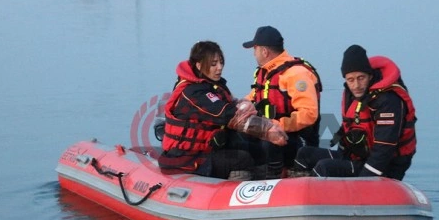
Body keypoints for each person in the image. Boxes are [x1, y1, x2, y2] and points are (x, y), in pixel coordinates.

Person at [159, 40, 287, 180]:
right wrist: (268, 130)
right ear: (199, 65)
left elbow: (232, 104)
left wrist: (247, 106)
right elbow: (228, 115)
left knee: (257, 150)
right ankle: (240, 194)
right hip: (187, 158)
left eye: (221, 62)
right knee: (242, 159)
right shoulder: (193, 93)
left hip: (209, 148)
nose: (219, 68)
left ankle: (274, 184)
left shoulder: (212, 85)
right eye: (213, 64)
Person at [293, 44, 417, 180]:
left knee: (324, 167)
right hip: (358, 157)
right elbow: (348, 129)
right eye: (351, 80)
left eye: (361, 78)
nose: (356, 85)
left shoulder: (388, 101)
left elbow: (384, 150)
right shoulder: (351, 95)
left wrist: (362, 182)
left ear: (370, 76)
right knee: (304, 154)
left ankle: (316, 197)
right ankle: (291, 195)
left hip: (386, 165)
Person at [241, 26, 322, 178]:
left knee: (270, 140)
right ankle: (251, 176)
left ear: (264, 51)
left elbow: (309, 114)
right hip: (271, 135)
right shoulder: (267, 73)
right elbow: (251, 98)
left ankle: (274, 177)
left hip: (297, 141)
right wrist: (233, 111)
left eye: (255, 49)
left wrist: (277, 126)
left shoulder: (296, 74)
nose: (254, 53)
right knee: (238, 137)